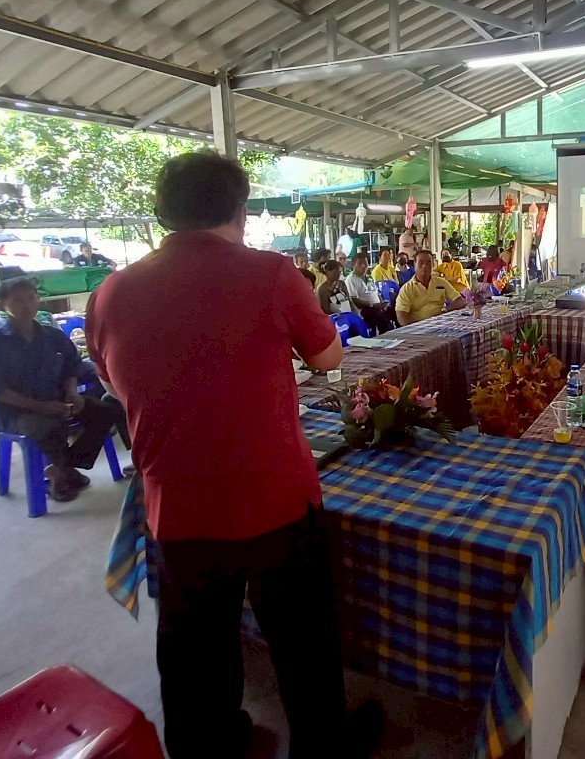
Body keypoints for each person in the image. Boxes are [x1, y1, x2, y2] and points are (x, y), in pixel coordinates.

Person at [83, 152, 382, 759]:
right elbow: (329, 358)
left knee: (194, 652)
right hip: (275, 500)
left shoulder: (110, 292)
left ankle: (210, 745)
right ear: (240, 211)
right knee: (302, 642)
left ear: (163, 213)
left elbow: (113, 381)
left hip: (176, 508)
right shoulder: (272, 274)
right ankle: (321, 746)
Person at [0, 278, 127, 502]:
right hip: (15, 412)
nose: (27, 305)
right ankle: (63, 475)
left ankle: (63, 468)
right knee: (48, 426)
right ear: (1, 306)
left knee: (107, 411)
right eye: (18, 300)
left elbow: (72, 367)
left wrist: (72, 393)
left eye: (31, 298)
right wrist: (43, 407)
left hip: (58, 401)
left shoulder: (52, 336)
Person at [395, 249, 466, 325]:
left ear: (433, 266)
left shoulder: (441, 282)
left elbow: (460, 301)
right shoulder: (407, 289)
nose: (425, 266)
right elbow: (401, 317)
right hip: (419, 327)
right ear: (415, 265)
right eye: (421, 263)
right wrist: (417, 327)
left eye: (428, 263)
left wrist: (446, 310)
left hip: (441, 323)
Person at [345, 253, 396, 333]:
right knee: (379, 317)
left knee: (393, 310)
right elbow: (354, 300)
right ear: (354, 265)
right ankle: (388, 335)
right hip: (364, 310)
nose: (363, 266)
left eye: (365, 263)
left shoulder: (369, 277)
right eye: (360, 263)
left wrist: (382, 303)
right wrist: (372, 305)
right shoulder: (350, 279)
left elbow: (377, 293)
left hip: (376, 307)